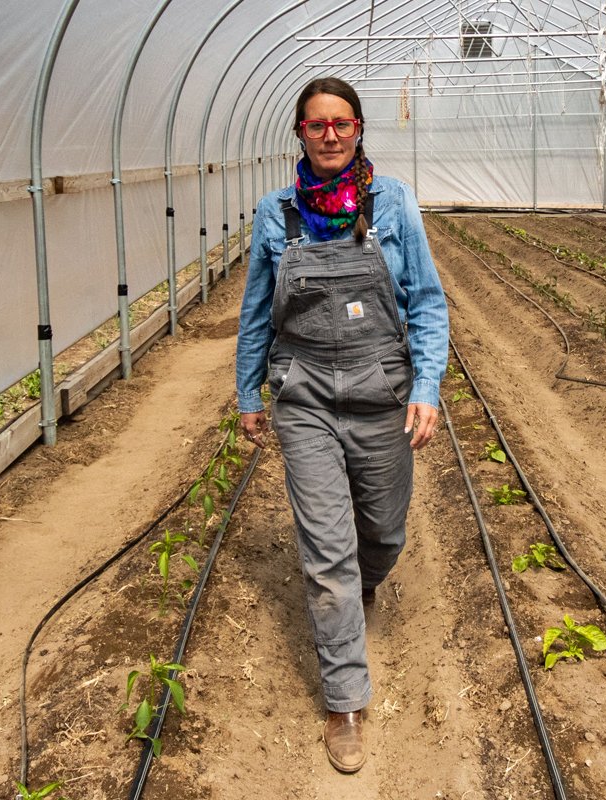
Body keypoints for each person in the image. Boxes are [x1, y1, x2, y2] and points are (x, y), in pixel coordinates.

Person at [235, 76, 449, 774]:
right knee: (328, 556)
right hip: (305, 399)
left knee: (382, 534)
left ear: (359, 130)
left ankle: (365, 583)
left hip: (380, 390)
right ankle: (344, 702)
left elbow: (425, 302)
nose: (329, 134)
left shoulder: (393, 205)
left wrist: (426, 386)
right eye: (316, 124)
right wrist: (248, 394)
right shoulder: (276, 214)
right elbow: (257, 315)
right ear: (299, 133)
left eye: (342, 123)